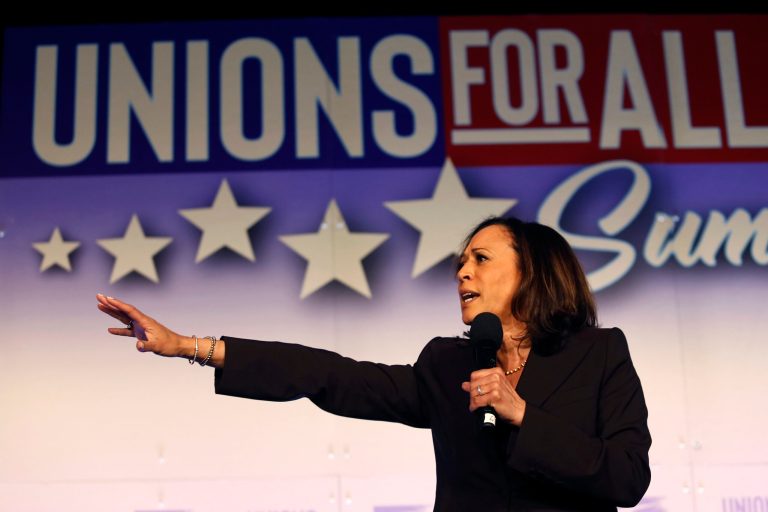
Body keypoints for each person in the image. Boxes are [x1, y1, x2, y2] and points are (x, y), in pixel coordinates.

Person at [97, 216, 651, 511]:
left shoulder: (599, 354)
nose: (462, 273)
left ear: (533, 272)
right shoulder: (445, 363)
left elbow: (626, 477)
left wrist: (523, 414)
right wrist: (189, 345)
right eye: (460, 263)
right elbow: (332, 375)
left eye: (480, 259)